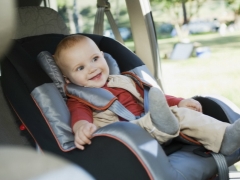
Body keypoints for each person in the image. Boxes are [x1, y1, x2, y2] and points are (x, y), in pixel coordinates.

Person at [54, 34, 240, 155]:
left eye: (95, 59)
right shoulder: (79, 99)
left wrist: (179, 102)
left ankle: (225, 137)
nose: (92, 68)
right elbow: (79, 117)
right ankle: (163, 124)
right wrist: (81, 128)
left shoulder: (125, 80)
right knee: (157, 119)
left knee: (181, 114)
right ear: (68, 79)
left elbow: (153, 98)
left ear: (103, 56)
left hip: (154, 120)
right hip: (126, 138)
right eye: (80, 67)